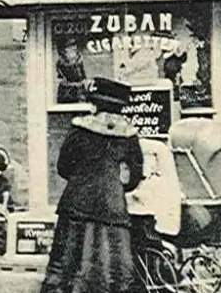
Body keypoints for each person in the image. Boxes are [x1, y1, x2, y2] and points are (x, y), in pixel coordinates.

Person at [40, 78, 145, 293]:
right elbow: (135, 175)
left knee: (66, 268)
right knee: (112, 273)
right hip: (111, 207)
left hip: (76, 204)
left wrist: (82, 180)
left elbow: (62, 167)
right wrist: (116, 187)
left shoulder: (80, 128)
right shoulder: (128, 134)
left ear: (95, 103)